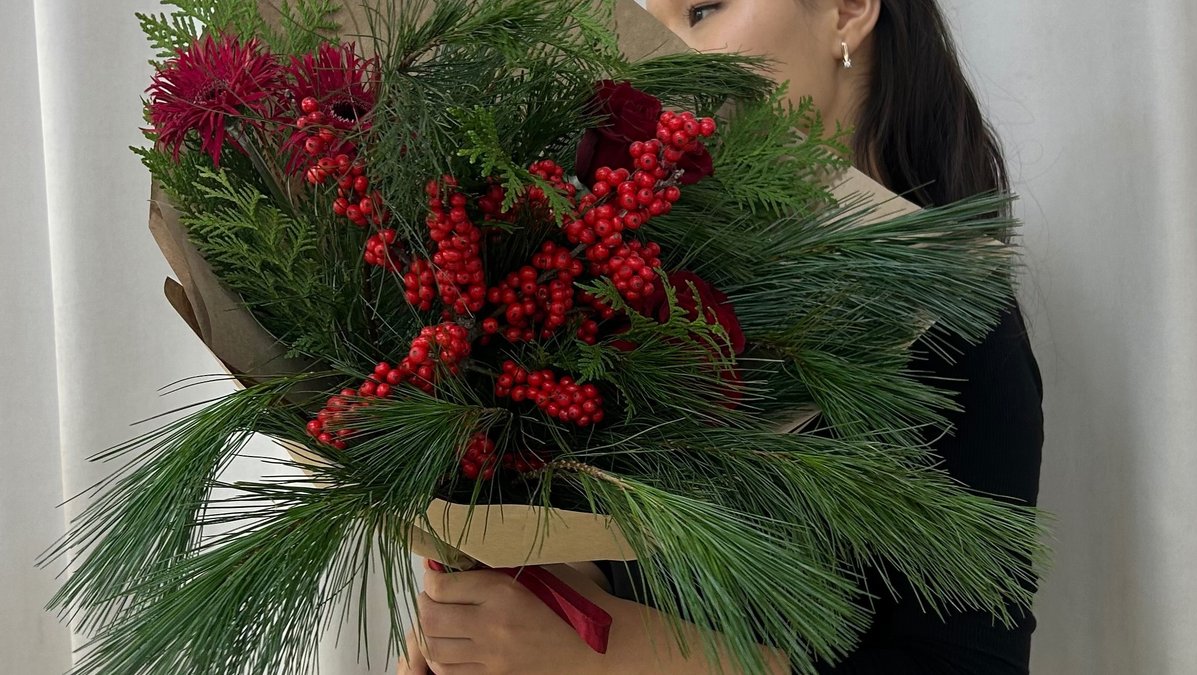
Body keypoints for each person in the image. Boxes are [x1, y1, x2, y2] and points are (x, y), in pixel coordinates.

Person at [398, 0, 1044, 672]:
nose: (660, 52)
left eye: (702, 9)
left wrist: (606, 653)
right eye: (649, 18)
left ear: (848, 10)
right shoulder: (631, 293)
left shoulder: (953, 324)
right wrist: (489, 620)